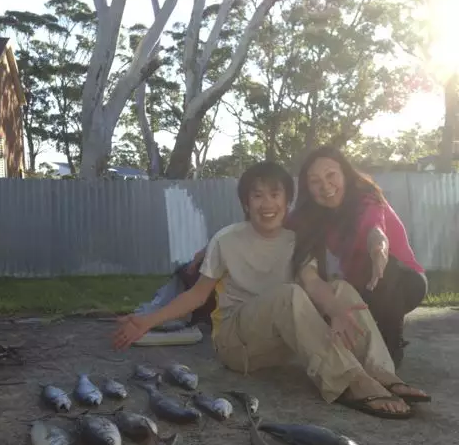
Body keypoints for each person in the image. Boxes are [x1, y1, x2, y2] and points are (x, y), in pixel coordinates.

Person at [113, 161, 430, 417]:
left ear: (287, 201)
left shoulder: (298, 241)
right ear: (246, 203)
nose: (267, 203)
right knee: (287, 294)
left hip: (280, 346)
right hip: (237, 346)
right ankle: (350, 381)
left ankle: (383, 372)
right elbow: (196, 295)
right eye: (258, 195)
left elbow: (313, 283)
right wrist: (147, 321)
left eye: (275, 194)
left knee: (341, 289)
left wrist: (334, 311)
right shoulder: (227, 240)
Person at [289, 145, 427, 367]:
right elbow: (281, 224)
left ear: (345, 173)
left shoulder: (367, 199)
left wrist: (378, 250)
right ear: (308, 187)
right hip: (361, 289)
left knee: (385, 270)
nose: (325, 186)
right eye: (315, 181)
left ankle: (391, 350)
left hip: (404, 280)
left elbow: (375, 229)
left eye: (331, 175)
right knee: (327, 302)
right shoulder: (313, 215)